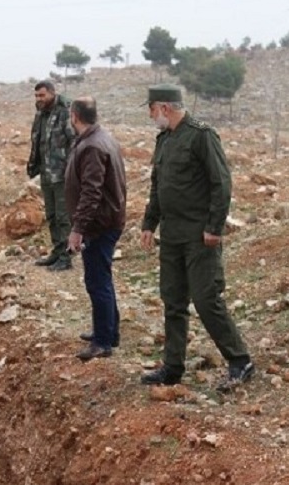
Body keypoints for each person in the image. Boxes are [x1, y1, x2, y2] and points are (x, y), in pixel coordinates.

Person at [138, 84, 254, 392]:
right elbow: (157, 186)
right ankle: (173, 366)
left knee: (205, 299)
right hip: (172, 235)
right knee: (172, 301)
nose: (151, 117)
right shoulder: (164, 140)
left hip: (199, 237)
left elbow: (221, 183)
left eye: (151, 110)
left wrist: (214, 227)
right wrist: (149, 223)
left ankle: (240, 360)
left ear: (164, 107)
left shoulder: (202, 135)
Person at [63, 97, 126, 361]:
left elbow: (91, 192)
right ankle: (108, 331)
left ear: (75, 116)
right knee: (102, 278)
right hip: (106, 220)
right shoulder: (100, 138)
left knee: (97, 281)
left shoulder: (92, 146)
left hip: (99, 225)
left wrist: (78, 229)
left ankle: (103, 341)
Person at [27, 80, 76, 272]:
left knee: (64, 217)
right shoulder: (41, 114)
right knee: (52, 215)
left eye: (42, 95)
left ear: (52, 93)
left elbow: (74, 142)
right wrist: (33, 167)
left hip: (63, 174)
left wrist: (72, 170)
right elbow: (37, 142)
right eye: (37, 96)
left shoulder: (65, 112)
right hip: (46, 173)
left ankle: (66, 257)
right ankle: (57, 252)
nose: (39, 99)